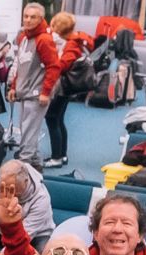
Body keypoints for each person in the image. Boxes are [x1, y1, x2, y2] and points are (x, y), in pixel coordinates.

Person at [8, 3, 60, 164]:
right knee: (27, 131)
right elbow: (21, 65)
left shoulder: (43, 40)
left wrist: (45, 92)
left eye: (33, 17)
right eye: (26, 16)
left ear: (41, 19)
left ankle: (22, 168)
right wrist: (14, 87)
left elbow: (54, 67)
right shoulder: (24, 37)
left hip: (37, 95)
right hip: (24, 92)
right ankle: (36, 166)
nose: (28, 20)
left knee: (28, 134)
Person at [44, 12, 93, 169]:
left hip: (62, 88)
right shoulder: (76, 40)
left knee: (52, 118)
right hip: (67, 88)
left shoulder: (71, 45)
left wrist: (51, 61)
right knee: (58, 119)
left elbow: (62, 65)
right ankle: (62, 154)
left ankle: (56, 157)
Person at [0, 160, 55, 252]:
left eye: (12, 189)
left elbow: (23, 237)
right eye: (4, 188)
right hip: (2, 230)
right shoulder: (2, 183)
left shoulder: (41, 198)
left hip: (36, 235)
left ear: (25, 181)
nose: (6, 192)